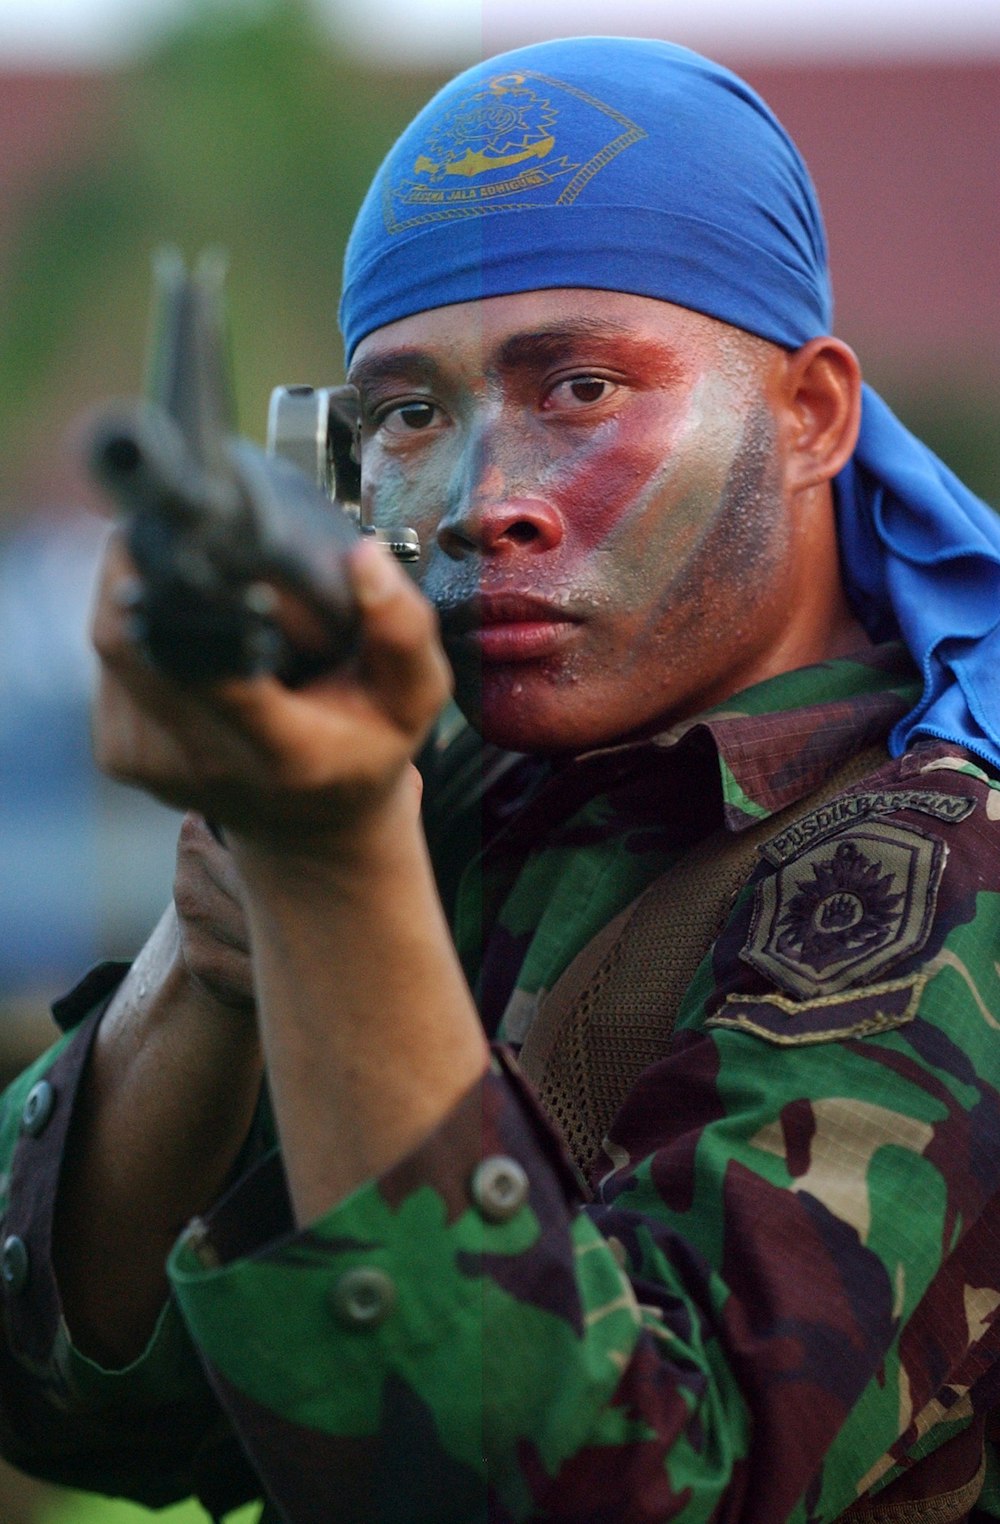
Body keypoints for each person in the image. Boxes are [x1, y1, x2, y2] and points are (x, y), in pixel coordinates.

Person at [2, 35, 1000, 1524]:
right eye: (409, 414)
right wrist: (226, 932)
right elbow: (71, 1393)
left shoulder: (937, 873)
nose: (481, 504)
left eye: (583, 388)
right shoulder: (459, 790)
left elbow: (619, 1485)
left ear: (811, 418)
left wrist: (335, 867)